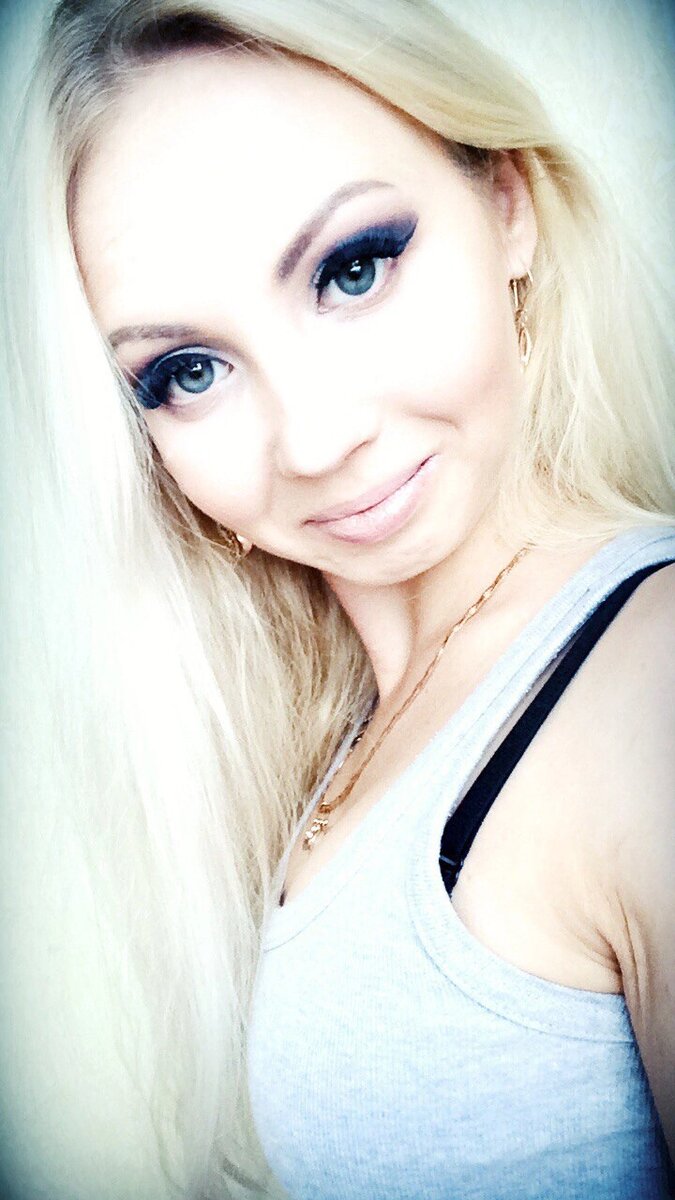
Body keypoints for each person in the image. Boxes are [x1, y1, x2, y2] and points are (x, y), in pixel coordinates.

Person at [1, 1, 674, 1198]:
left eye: (352, 269)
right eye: (187, 372)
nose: (313, 440)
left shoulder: (651, 685)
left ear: (508, 205)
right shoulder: (338, 742)